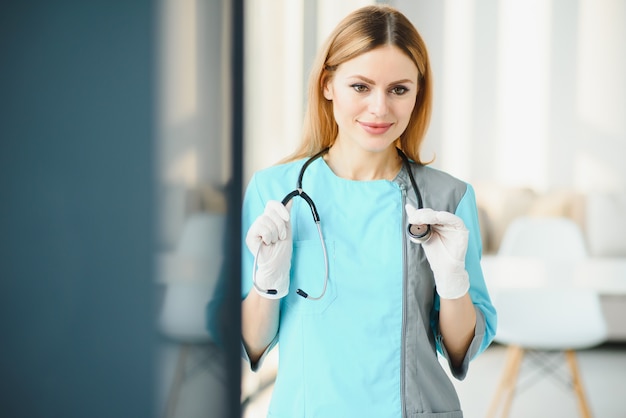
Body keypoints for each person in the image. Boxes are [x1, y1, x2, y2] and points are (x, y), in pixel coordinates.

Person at [240, 5, 496, 417]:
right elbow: (250, 342)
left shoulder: (447, 198)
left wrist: (453, 285)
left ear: (417, 94)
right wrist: (267, 285)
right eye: (360, 86)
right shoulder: (275, 193)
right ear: (328, 85)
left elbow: (460, 348)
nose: (380, 108)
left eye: (399, 89)